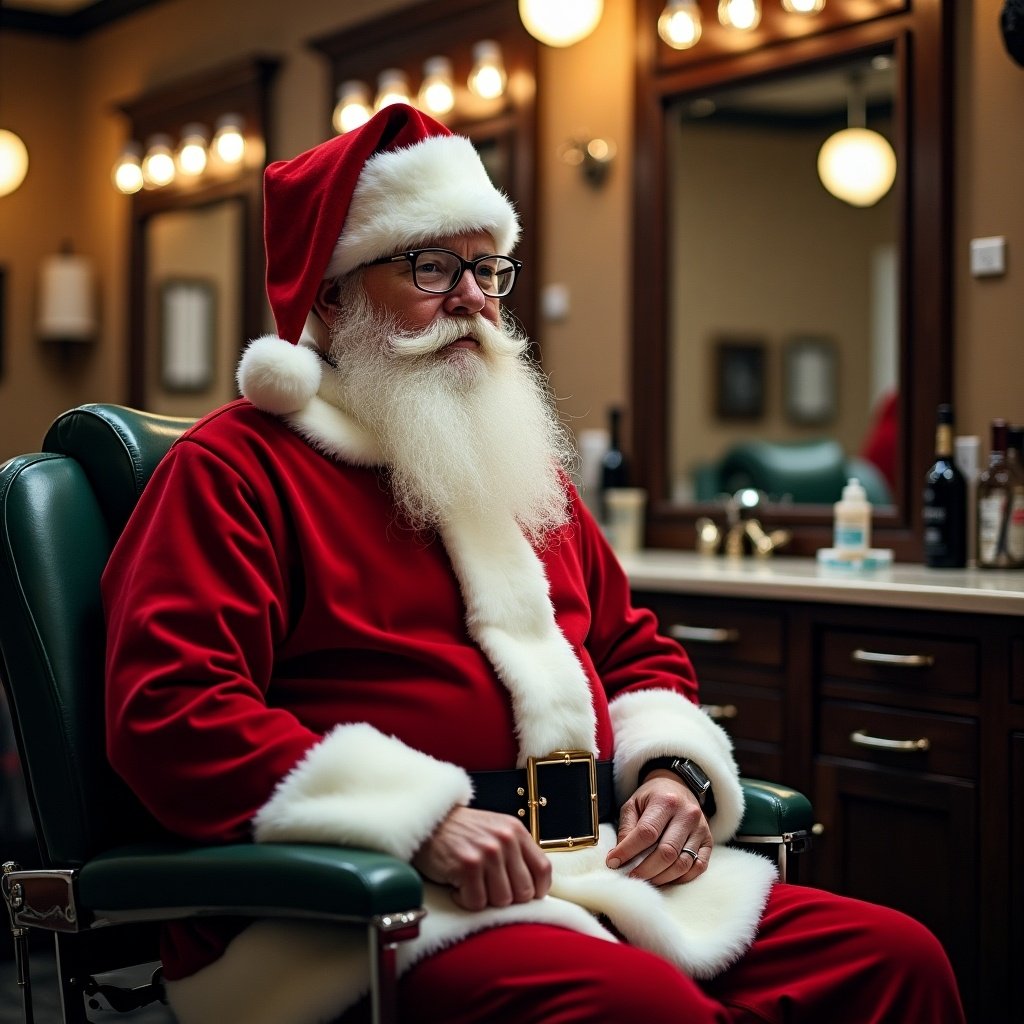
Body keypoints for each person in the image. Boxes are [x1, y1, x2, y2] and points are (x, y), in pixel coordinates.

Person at [102, 104, 964, 1024]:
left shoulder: (515, 466)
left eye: (487, 268)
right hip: (360, 903)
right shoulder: (235, 470)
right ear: (330, 294)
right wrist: (415, 820)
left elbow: (636, 653)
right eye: (431, 267)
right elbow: (171, 710)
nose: (473, 298)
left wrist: (673, 774)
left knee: (898, 960)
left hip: (588, 867)